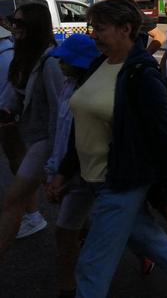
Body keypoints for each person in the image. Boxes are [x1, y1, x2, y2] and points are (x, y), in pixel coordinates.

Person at [51, 0, 167, 297]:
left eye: (99, 28)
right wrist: (65, 170)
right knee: (142, 235)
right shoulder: (98, 63)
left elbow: (163, 139)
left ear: (125, 28)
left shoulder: (142, 73)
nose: (93, 34)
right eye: (92, 27)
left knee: (92, 266)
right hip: (92, 177)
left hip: (122, 179)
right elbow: (85, 124)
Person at [0, 3, 64, 258]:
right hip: (37, 139)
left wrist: (58, 162)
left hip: (47, 141)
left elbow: (61, 111)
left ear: (34, 27)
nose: (13, 28)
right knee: (78, 212)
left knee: (13, 201)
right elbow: (11, 97)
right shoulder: (23, 56)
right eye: (12, 22)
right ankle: (139, 243)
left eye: (19, 24)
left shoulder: (50, 61)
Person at [44, 34, 100, 298]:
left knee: (66, 232)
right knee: (77, 229)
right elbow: (60, 130)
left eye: (66, 60)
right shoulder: (68, 85)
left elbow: (79, 138)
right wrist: (54, 169)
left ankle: (70, 288)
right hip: (70, 173)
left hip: (84, 174)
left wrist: (60, 174)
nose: (61, 64)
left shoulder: (89, 93)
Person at [101, 0, 166, 55]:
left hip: (129, 63)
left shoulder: (131, 11)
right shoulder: (101, 13)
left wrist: (144, 56)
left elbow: (160, 36)